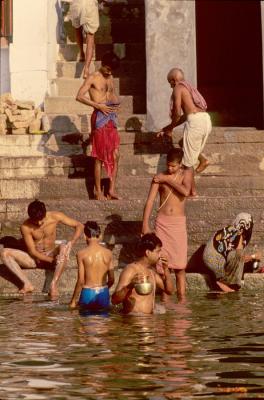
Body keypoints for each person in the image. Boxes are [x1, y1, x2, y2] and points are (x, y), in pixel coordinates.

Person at [0, 200, 83, 299]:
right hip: (35, 259)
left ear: (45, 214)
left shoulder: (55, 216)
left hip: (52, 253)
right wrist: (51, 261)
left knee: (64, 246)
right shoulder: (25, 227)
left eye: (41, 220)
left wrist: (71, 242)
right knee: (4, 253)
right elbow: (32, 251)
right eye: (35, 221)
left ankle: (53, 285)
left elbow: (79, 225)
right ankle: (27, 284)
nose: (39, 223)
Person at [142, 148, 187, 302]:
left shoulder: (184, 175)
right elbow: (149, 202)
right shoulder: (158, 178)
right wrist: (145, 224)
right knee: (161, 266)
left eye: (173, 166)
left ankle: (182, 300)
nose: (170, 169)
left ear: (180, 165)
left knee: (180, 268)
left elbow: (185, 191)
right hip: (162, 223)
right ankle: (165, 301)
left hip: (178, 224)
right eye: (168, 165)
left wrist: (167, 180)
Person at [157, 67, 212, 196]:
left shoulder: (178, 88)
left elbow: (177, 113)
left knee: (187, 162)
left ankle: (191, 192)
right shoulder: (188, 87)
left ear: (173, 80)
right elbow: (186, 115)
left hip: (196, 123)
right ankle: (203, 160)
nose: (170, 86)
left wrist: (170, 128)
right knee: (183, 144)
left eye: (170, 83)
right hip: (206, 120)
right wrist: (168, 128)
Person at [76, 51, 121, 200]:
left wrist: (114, 102)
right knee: (99, 157)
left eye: (112, 70)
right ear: (103, 64)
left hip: (111, 117)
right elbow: (79, 96)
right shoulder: (93, 77)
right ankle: (97, 191)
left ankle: (112, 190)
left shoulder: (110, 77)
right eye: (108, 69)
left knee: (116, 155)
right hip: (99, 116)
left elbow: (112, 94)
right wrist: (97, 105)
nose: (109, 72)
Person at [111, 233, 174, 315]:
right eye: (158, 251)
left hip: (150, 322)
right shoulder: (130, 270)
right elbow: (114, 300)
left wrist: (166, 269)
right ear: (148, 252)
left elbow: (170, 291)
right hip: (133, 323)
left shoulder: (152, 271)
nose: (160, 255)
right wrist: (130, 285)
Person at [203, 213, 260, 292]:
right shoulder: (238, 233)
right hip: (216, 260)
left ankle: (221, 283)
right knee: (239, 254)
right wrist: (253, 256)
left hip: (209, 258)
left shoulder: (230, 230)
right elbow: (239, 256)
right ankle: (222, 284)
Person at [69, 221, 114, 310]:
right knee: (103, 322)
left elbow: (81, 281)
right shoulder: (108, 253)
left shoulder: (81, 254)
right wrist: (102, 290)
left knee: (87, 322)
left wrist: (73, 300)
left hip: (88, 292)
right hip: (103, 292)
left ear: (84, 236)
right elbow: (112, 279)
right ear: (100, 236)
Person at [69, 0, 100, 79]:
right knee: (90, 36)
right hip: (89, 5)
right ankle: (86, 69)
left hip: (77, 4)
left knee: (77, 29)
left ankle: (82, 54)